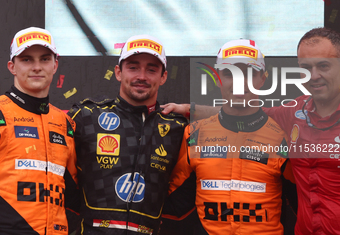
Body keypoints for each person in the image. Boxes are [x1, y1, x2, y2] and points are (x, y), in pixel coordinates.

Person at [162, 27, 340, 234]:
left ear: (262, 79)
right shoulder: (293, 114)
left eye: (324, 66)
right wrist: (188, 109)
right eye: (230, 73)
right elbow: (245, 113)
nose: (239, 81)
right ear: (218, 78)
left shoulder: (282, 129)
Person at [67, 35, 187, 234]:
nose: (142, 76)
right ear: (118, 72)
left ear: (163, 77)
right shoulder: (86, 116)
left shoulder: (177, 128)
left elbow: (183, 194)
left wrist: (193, 108)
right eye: (133, 67)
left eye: (152, 69)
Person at [0, 27, 78, 234]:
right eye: (26, 60)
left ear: (55, 65)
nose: (37, 67)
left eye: (44, 59)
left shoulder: (65, 122)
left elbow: (72, 189)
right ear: (12, 67)